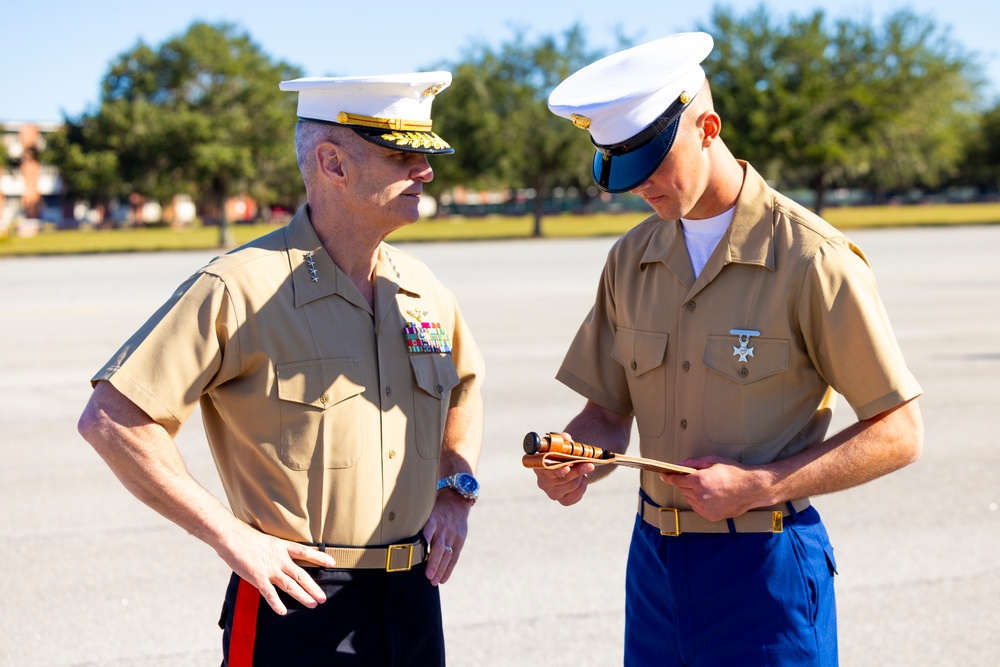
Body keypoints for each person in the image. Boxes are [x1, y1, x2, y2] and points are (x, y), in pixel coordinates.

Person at [534, 32, 923, 666]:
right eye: (622, 172)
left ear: (708, 127)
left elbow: (900, 432)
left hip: (765, 568)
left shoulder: (811, 258)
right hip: (655, 566)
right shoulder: (631, 259)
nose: (641, 189)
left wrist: (761, 484)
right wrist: (579, 459)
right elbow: (605, 414)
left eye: (653, 165)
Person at [77, 71, 485, 666]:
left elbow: (464, 392)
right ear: (333, 163)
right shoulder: (240, 287)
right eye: (403, 155)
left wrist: (456, 492)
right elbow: (112, 420)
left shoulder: (423, 290)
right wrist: (231, 536)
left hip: (414, 598)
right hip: (299, 599)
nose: (425, 171)